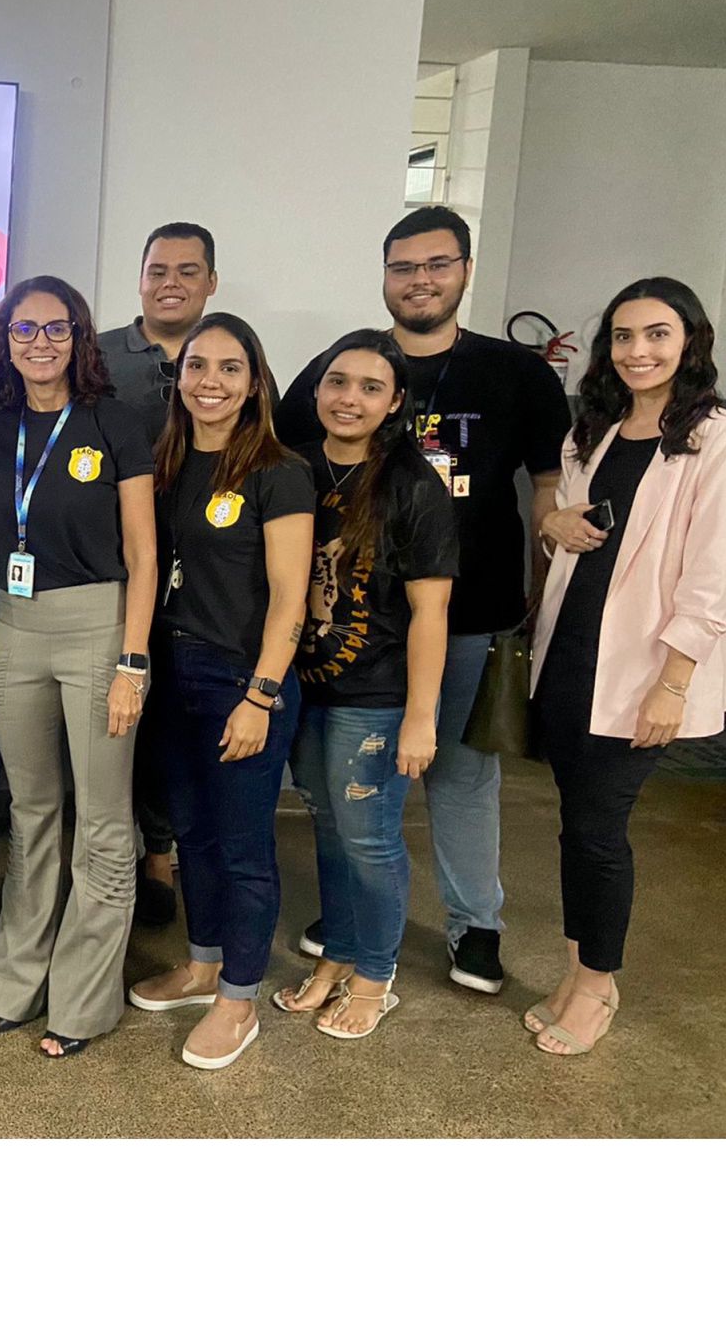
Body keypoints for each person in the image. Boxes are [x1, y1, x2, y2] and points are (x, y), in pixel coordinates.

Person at [275, 205, 568, 994]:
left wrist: (545, 584)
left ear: (465, 270)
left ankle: (476, 926)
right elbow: (283, 460)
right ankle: (351, 919)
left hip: (469, 616)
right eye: (404, 266)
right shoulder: (336, 368)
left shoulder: (516, 374)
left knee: (460, 778)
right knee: (346, 789)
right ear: (385, 276)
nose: (420, 280)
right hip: (355, 628)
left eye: (437, 264)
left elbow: (548, 484)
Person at [526, 279, 726, 1057]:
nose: (637, 351)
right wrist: (553, 522)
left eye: (656, 334)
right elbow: (562, 524)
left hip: (644, 668)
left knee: (599, 830)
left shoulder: (712, 439)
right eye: (623, 335)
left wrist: (673, 684)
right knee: (576, 824)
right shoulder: (597, 429)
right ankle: (578, 969)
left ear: (690, 342)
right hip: (573, 652)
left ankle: (597, 985)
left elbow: (712, 578)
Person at [126, 314, 313, 1070]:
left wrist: (261, 695)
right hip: (173, 675)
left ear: (255, 381)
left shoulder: (278, 470)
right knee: (192, 835)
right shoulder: (167, 462)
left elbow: (291, 598)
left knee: (242, 848)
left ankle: (239, 999)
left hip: (240, 679)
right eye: (197, 366)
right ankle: (203, 965)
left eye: (230, 368)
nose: (211, 382)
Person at [0, 276, 156, 1057]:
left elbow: (145, 554)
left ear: (80, 338)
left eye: (57, 329)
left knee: (105, 819)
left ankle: (84, 1000)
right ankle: (17, 980)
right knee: (32, 812)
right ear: (6, 340)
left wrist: (132, 662)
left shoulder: (116, 422)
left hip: (98, 630)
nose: (40, 343)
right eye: (25, 329)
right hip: (14, 629)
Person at [273, 330, 457, 1039]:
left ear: (396, 401)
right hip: (307, 687)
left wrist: (420, 716)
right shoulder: (296, 467)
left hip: (376, 698)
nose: (350, 398)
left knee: (370, 839)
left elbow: (430, 612)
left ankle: (376, 978)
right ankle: (339, 956)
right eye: (338, 382)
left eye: (370, 387)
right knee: (328, 827)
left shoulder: (413, 484)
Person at [99, 221, 219, 928]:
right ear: (140, 279)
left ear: (211, 282)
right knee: (122, 713)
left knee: (179, 713)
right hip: (117, 568)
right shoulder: (100, 357)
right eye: (158, 270)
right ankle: (120, 849)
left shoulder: (231, 355)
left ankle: (163, 851)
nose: (171, 283)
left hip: (206, 572)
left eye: (187, 271)